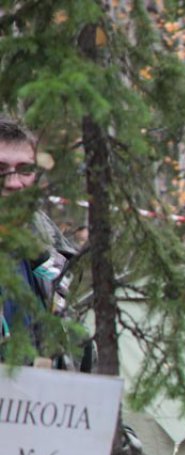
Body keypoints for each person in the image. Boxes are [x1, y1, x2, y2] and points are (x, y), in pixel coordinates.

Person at [0, 114, 87, 369]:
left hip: (37, 396)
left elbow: (73, 315)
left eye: (25, 169)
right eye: (0, 169)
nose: (14, 183)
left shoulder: (44, 233)